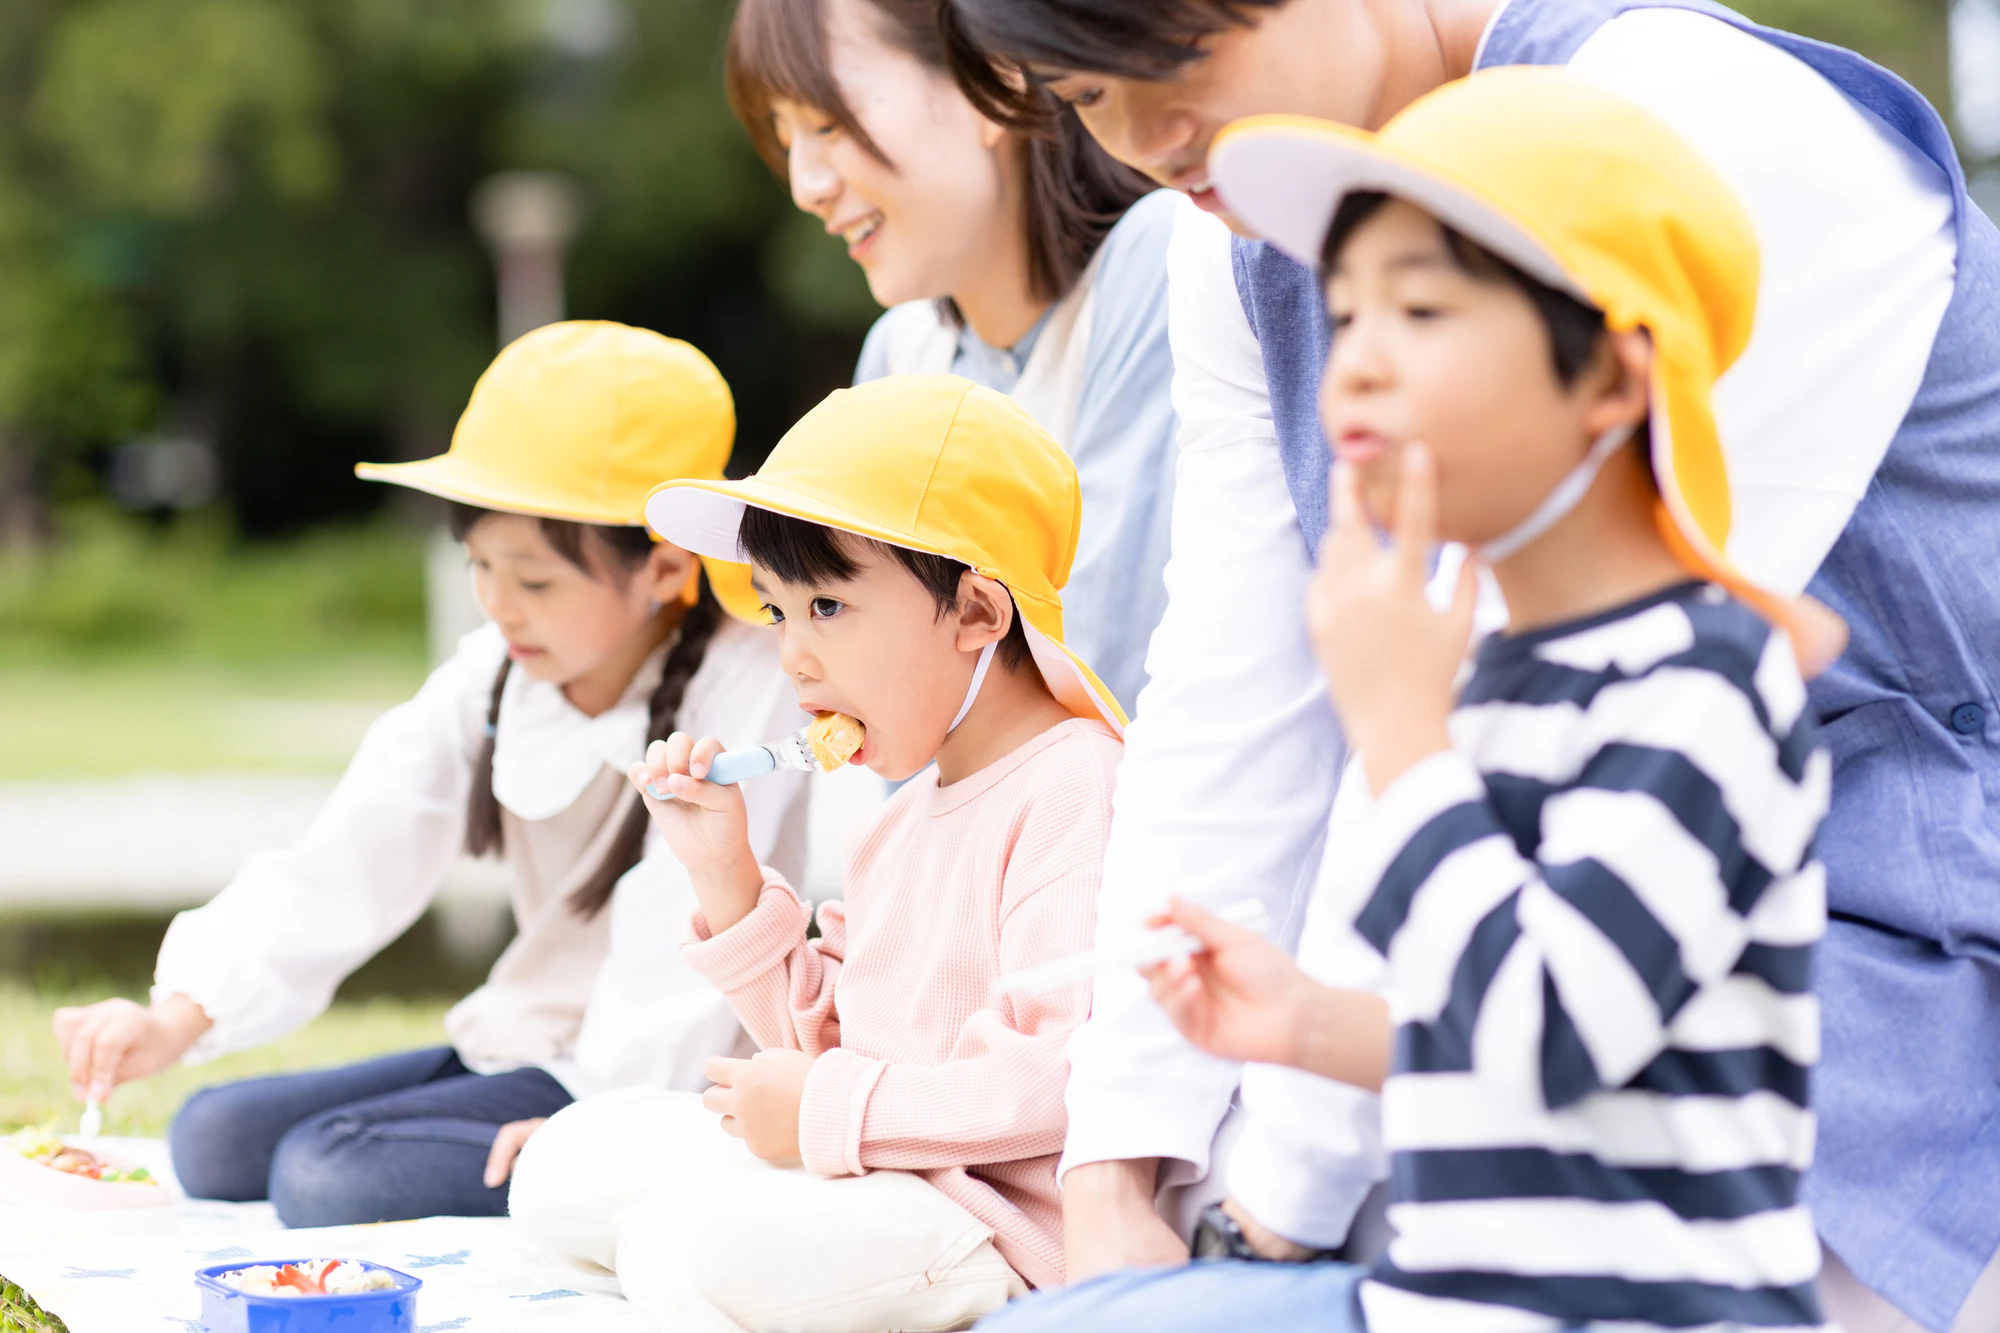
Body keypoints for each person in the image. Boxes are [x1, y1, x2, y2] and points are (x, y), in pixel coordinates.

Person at [942, 2, 2000, 1325]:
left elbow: (1492, 736)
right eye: (1084, 97)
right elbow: (1229, 703)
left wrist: (1265, 1219)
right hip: (1496, 1006)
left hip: (1875, 984)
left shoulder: (1683, 128)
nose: (1148, 141)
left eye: (1172, 54)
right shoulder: (1248, 222)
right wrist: (1121, 1166)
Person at [50, 321, 810, 1226]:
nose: (497, 603)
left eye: (533, 580)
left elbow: (673, 967)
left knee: (325, 1174)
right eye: (480, 564)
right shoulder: (497, 672)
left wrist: (597, 1131)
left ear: (664, 567)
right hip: (527, 1043)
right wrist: (172, 1018)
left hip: (658, 1078)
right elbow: (351, 854)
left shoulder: (747, 682)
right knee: (213, 1134)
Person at [506, 374, 1126, 1332]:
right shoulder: (896, 814)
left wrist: (830, 1111)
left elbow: (1059, 1079)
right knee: (568, 1161)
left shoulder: (1075, 784)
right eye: (774, 611)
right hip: (877, 1173)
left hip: (988, 1230)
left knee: (685, 1247)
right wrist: (727, 873)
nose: (794, 656)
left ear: (976, 613)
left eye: (827, 607)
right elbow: (830, 1049)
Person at [725, 0, 1176, 713]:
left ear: (989, 78)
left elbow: (1103, 668)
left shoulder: (1161, 263)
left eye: (828, 122)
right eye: (786, 138)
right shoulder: (902, 356)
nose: (806, 185)